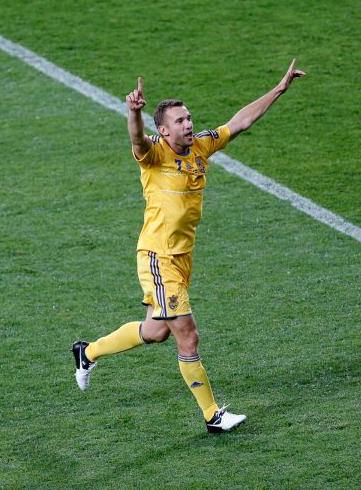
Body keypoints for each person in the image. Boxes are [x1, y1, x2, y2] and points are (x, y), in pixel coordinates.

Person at [72, 60, 306, 433]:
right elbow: (136, 139)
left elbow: (239, 122)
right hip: (158, 257)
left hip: (182, 258)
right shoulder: (154, 154)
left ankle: (87, 352)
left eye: (189, 117)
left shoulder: (201, 146)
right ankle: (213, 416)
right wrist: (134, 113)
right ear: (163, 130)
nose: (188, 124)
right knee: (188, 335)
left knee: (156, 331)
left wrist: (278, 90)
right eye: (180, 121)